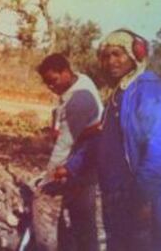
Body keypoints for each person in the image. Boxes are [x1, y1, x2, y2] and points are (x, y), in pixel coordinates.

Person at [55, 29, 161, 251]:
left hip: (139, 196)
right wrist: (71, 166)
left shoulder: (147, 88)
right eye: (105, 56)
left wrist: (144, 197)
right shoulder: (118, 94)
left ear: (135, 55)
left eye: (117, 54)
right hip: (116, 197)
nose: (110, 61)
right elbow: (103, 140)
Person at [34, 53, 103, 251]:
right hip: (83, 159)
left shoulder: (79, 100)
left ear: (65, 72)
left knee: (46, 203)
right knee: (82, 216)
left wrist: (48, 177)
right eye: (47, 83)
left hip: (82, 161)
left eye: (53, 81)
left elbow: (64, 145)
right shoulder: (80, 80)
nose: (51, 87)